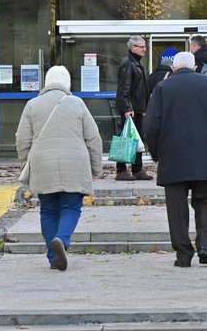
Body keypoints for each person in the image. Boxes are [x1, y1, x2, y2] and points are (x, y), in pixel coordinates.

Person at [143, 52, 207, 267]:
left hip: (172, 156)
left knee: (176, 208)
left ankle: (183, 254)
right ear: (194, 67)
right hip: (206, 155)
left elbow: (151, 127)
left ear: (173, 68)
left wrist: (157, 154)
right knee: (206, 201)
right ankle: (204, 244)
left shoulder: (162, 88)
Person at [15, 65, 102, 271]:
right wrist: (96, 168)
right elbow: (93, 138)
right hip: (75, 163)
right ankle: (61, 240)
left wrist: (25, 163)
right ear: (67, 83)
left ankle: (53, 257)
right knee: (71, 207)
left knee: (48, 211)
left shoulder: (32, 104)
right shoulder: (77, 103)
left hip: (43, 163)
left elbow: (22, 139)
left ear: (46, 82)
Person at [115, 35, 153, 181]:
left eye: (144, 46)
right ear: (133, 48)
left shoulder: (136, 63)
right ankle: (121, 170)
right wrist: (127, 108)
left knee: (137, 139)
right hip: (130, 110)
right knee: (126, 138)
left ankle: (137, 169)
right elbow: (124, 88)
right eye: (141, 47)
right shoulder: (128, 63)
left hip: (137, 109)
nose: (144, 49)